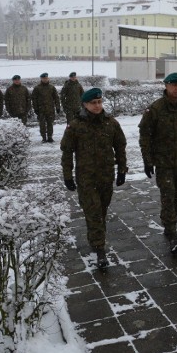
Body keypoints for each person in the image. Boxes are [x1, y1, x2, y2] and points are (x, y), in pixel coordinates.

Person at [60, 88, 128, 271]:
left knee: (102, 211)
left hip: (106, 177)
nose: (97, 106)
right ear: (85, 105)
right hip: (86, 179)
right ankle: (100, 249)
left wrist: (122, 170)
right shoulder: (75, 126)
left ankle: (95, 238)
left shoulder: (111, 123)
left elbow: (120, 147)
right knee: (94, 212)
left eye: (99, 102)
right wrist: (67, 176)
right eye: (93, 103)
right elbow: (67, 153)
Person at [139, 72, 177, 254]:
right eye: (174, 85)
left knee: (175, 198)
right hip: (163, 163)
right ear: (166, 86)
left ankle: (169, 223)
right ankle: (173, 233)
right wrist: (148, 162)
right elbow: (145, 137)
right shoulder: (155, 109)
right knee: (168, 196)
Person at [31, 72, 60, 142]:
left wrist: (57, 107)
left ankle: (50, 137)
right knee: (42, 125)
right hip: (41, 110)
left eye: (46, 78)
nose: (45, 79)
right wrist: (36, 108)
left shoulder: (51, 87)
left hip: (50, 109)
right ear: (41, 79)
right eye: (44, 78)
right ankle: (43, 137)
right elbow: (34, 99)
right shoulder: (37, 88)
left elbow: (56, 98)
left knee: (50, 124)